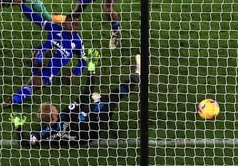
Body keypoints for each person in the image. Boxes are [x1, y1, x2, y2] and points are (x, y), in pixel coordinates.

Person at [10, 54, 141, 147]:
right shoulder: (66, 114)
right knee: (111, 97)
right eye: (53, 107)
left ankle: (98, 101)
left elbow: (24, 141)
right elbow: (86, 93)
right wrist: (91, 70)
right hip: (94, 128)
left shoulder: (45, 132)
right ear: (54, 113)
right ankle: (137, 75)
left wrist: (18, 126)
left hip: (81, 140)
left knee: (87, 108)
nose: (56, 107)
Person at [3, 8, 99, 108]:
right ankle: (41, 58)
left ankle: (13, 100)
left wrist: (75, 72)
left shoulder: (77, 42)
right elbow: (36, 19)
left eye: (72, 23)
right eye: (68, 22)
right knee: (38, 58)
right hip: (38, 58)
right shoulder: (55, 28)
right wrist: (22, 5)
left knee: (34, 83)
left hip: (51, 68)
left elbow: (83, 60)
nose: (66, 24)